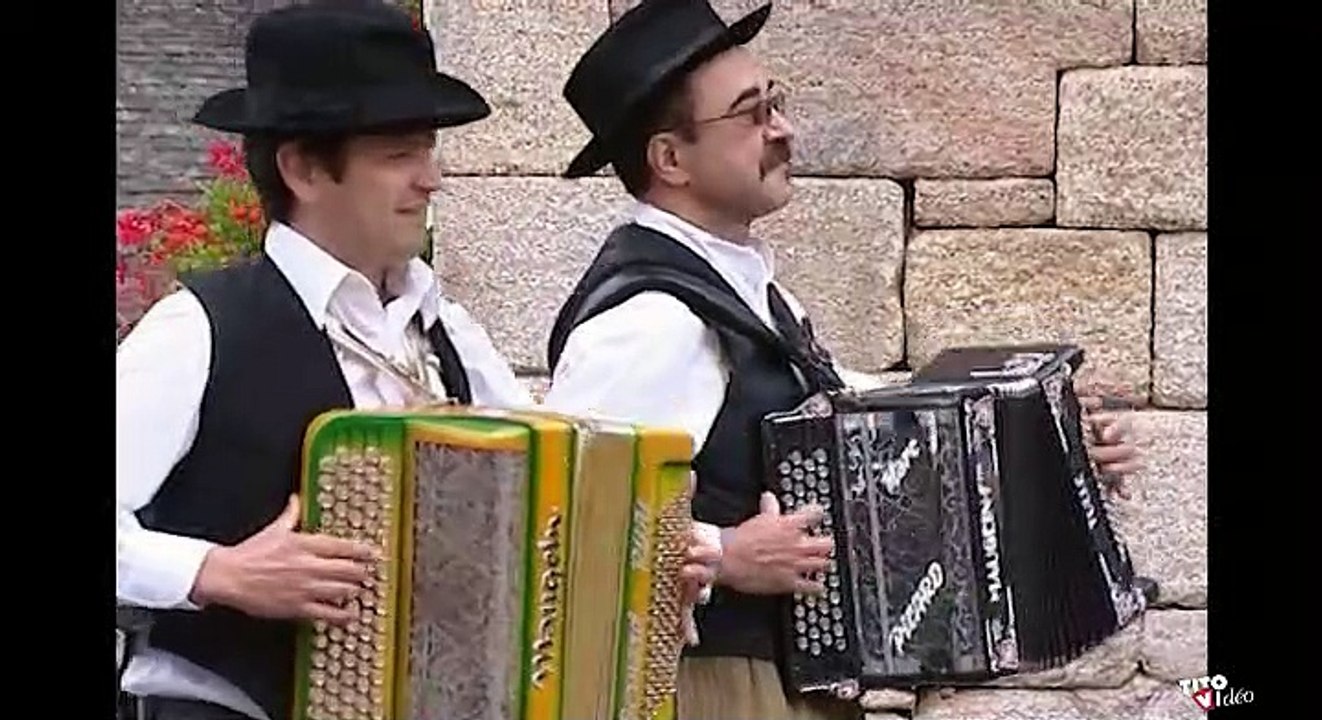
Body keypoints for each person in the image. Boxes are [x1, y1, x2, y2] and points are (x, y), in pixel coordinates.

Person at [541, 1, 1143, 719]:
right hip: (717, 693)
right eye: (751, 114)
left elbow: (885, 427)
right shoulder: (651, 319)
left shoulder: (754, 297)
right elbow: (567, 522)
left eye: (776, 102)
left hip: (792, 690)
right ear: (670, 158)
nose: (783, 129)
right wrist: (726, 553)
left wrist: (1055, 444)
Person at [115, 3, 717, 719]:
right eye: (400, 154)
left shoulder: (450, 335)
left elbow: (561, 495)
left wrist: (655, 555)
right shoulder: (201, 328)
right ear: (304, 168)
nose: (430, 179)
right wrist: (217, 572)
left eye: (428, 150)